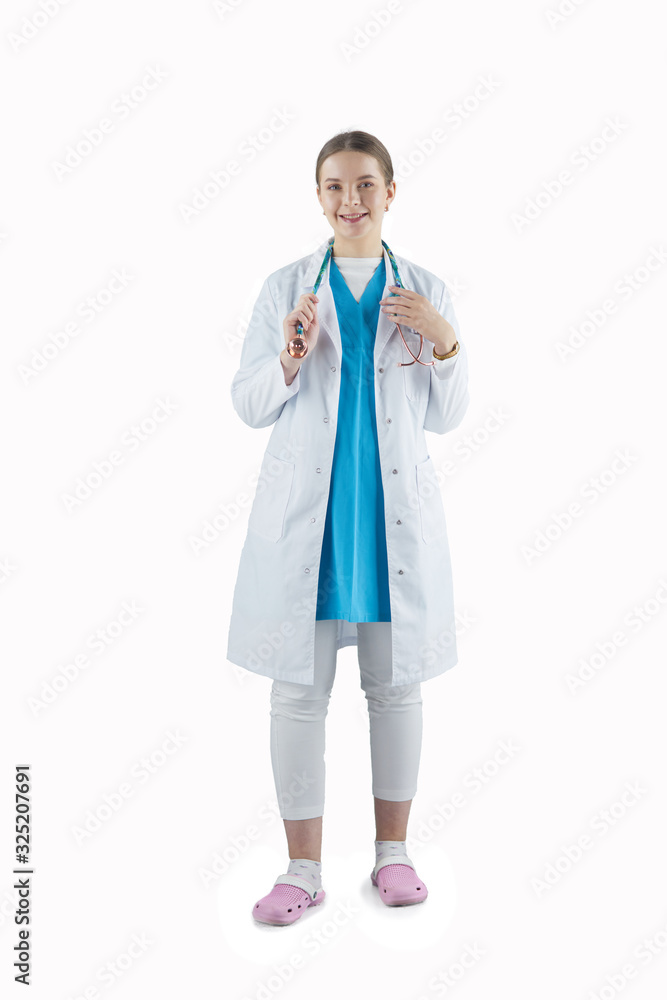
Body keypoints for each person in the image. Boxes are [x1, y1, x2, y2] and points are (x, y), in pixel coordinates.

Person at [226, 130, 470, 925]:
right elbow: (250, 401)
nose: (350, 200)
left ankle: (392, 855)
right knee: (297, 692)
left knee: (393, 687)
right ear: (319, 195)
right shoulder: (285, 289)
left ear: (391, 192)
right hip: (312, 521)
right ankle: (301, 869)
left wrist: (443, 339)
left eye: (365, 184)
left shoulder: (424, 287)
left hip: (387, 518)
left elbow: (449, 414)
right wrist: (290, 358)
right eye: (333, 186)